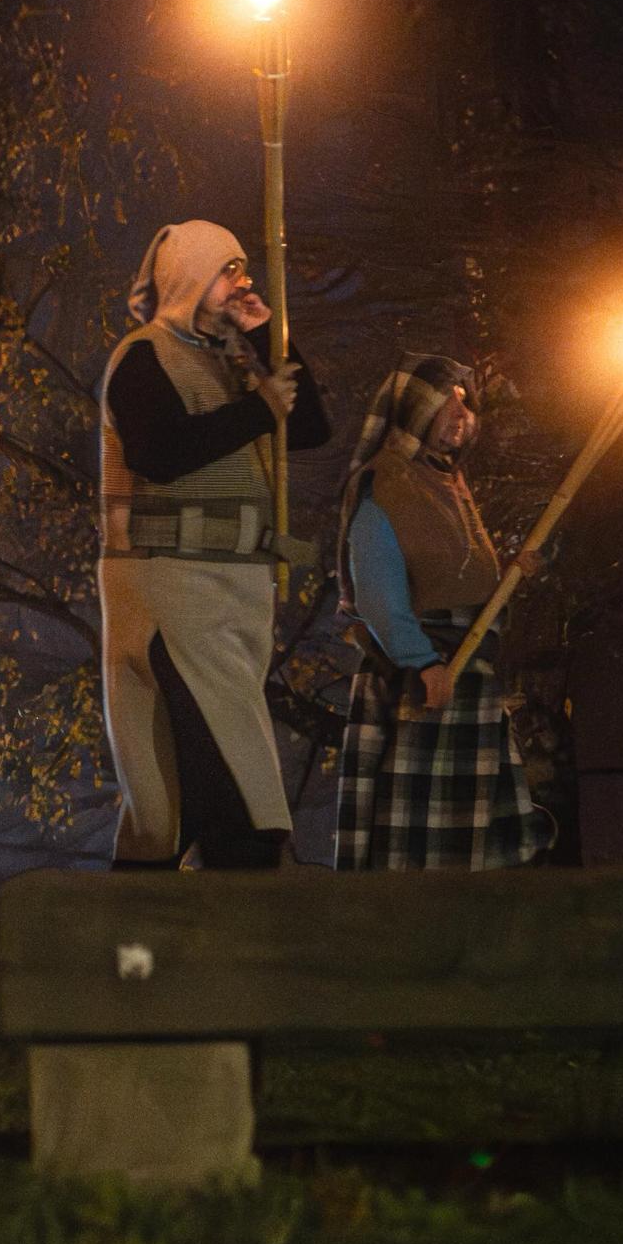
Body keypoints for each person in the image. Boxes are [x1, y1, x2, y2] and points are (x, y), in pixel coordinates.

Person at [98, 220, 332, 873]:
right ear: (191, 275)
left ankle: (155, 909)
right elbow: (158, 452)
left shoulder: (230, 362)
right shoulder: (142, 356)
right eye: (228, 270)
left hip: (230, 590)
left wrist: (268, 340)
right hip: (172, 587)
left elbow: (309, 428)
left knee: (181, 793)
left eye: (242, 269)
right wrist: (258, 409)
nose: (243, 281)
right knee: (230, 784)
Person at [331, 357, 553, 873]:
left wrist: (508, 575)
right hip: (424, 677)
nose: (461, 411)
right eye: (445, 399)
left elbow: (455, 575)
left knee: (474, 846)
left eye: (464, 400)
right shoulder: (385, 483)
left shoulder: (447, 481)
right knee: (416, 851)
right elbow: (377, 593)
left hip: (466, 674)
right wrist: (422, 663)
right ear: (414, 410)